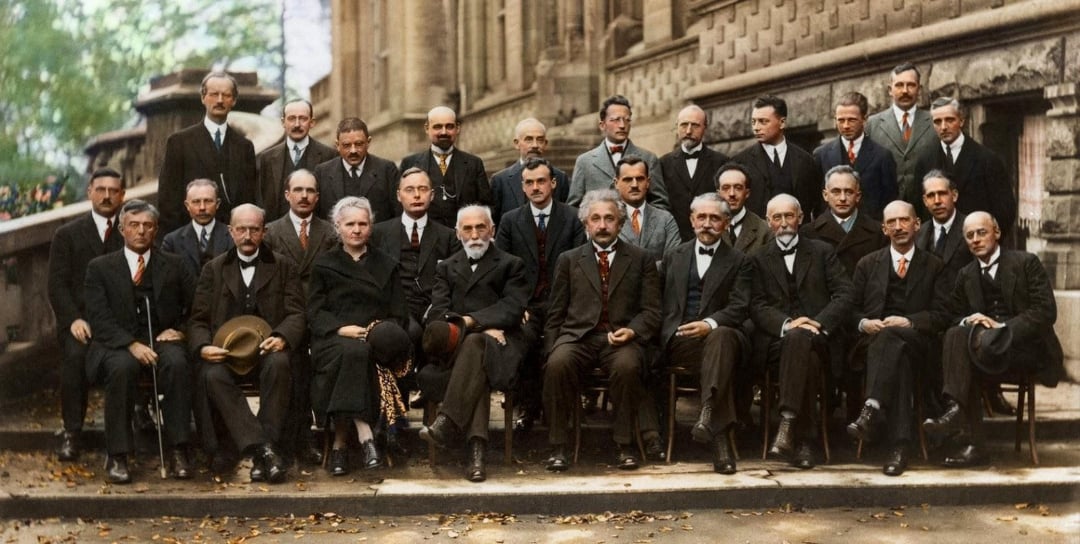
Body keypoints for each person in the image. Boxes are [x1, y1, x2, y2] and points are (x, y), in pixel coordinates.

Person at [923, 212, 1064, 467]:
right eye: (969, 236)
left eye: (982, 232)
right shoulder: (966, 274)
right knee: (957, 334)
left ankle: (958, 418)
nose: (976, 240)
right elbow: (952, 316)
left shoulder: (1026, 262)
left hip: (1024, 351)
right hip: (983, 353)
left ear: (996, 233)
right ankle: (965, 427)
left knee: (974, 349)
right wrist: (971, 321)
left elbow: (1045, 311)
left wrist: (1002, 327)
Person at [542, 189, 662, 472]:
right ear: (586, 223)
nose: (603, 225)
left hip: (621, 339)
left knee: (628, 367)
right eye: (595, 219)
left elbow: (652, 311)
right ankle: (558, 446)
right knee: (557, 364)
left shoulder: (641, 259)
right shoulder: (569, 259)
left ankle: (624, 445)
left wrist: (633, 331)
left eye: (609, 218)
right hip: (578, 337)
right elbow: (556, 312)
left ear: (621, 223)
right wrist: (551, 349)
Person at [189, 204, 306, 483]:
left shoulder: (283, 266)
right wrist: (204, 346)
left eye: (254, 229)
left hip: (267, 350)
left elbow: (297, 313)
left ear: (264, 232)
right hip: (228, 354)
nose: (247, 235)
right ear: (230, 232)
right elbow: (197, 320)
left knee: (280, 364)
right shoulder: (213, 269)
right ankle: (265, 450)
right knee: (211, 374)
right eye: (241, 229)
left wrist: (282, 337)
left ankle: (263, 450)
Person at [83, 199, 196, 483]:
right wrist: (131, 344)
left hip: (162, 337)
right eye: (134, 225)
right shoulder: (100, 268)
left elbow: (197, 309)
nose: (141, 231)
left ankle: (179, 449)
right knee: (122, 368)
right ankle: (118, 455)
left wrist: (181, 331)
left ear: (156, 230)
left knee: (177, 363)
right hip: (116, 343)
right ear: (122, 229)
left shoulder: (175, 264)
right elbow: (99, 318)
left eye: (147, 225)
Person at [418, 205, 530, 483]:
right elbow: (438, 313)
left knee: (476, 349)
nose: (475, 234)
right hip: (457, 351)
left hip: (502, 348)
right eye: (467, 229)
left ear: (492, 230)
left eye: (481, 227)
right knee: (476, 350)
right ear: (457, 233)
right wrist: (480, 325)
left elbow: (512, 308)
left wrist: (470, 322)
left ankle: (448, 424)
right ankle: (475, 454)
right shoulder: (446, 267)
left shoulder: (511, 264)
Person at [749, 194, 853, 469]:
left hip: (820, 338)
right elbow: (756, 304)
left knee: (808, 349)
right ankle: (805, 441)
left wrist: (817, 322)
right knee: (807, 357)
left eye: (789, 216)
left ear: (801, 218)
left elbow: (845, 294)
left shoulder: (822, 251)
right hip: (778, 342)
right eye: (777, 217)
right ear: (768, 222)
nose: (784, 223)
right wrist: (787, 324)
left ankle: (787, 423)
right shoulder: (758, 258)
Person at [846, 201, 949, 476]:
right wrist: (864, 323)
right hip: (872, 346)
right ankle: (900, 447)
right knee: (899, 360)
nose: (898, 227)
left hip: (920, 345)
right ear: (883, 229)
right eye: (891, 222)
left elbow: (943, 314)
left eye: (904, 220)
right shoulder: (867, 264)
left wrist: (910, 321)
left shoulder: (934, 266)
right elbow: (850, 309)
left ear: (917, 225)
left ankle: (871, 407)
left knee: (895, 339)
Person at [308, 197, 410, 475]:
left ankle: (340, 444)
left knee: (359, 352)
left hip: (373, 340)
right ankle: (365, 435)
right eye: (350, 224)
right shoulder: (324, 265)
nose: (356, 230)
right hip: (332, 339)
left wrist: (376, 332)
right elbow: (314, 311)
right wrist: (340, 329)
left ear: (371, 227)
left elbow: (399, 314)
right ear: (337, 226)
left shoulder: (386, 264)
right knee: (354, 352)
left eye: (362, 224)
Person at [658, 193, 752, 474]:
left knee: (720, 338)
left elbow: (740, 306)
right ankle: (719, 437)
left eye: (714, 218)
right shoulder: (673, 256)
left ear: (726, 223)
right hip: (681, 339)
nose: (707, 223)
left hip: (725, 338)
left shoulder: (740, 260)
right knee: (719, 356)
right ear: (692, 220)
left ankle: (709, 413)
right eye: (702, 217)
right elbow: (658, 302)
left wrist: (709, 324)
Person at [494, 158, 587, 431]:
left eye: (541, 181)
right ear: (523, 187)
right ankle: (528, 407)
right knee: (522, 340)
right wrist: (517, 305)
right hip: (527, 304)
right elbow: (501, 269)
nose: (536, 187)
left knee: (559, 348)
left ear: (553, 183)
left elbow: (581, 266)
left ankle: (558, 409)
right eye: (530, 183)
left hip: (564, 303)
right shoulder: (510, 221)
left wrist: (569, 305)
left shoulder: (572, 217)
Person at [47, 167, 125, 461]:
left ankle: (137, 418)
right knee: (75, 355)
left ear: (122, 195)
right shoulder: (67, 234)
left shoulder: (132, 230)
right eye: (100, 190)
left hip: (121, 323)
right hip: (82, 322)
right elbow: (56, 285)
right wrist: (73, 319)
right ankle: (72, 432)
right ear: (89, 192)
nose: (106, 196)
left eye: (113, 191)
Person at [370, 167, 462, 410]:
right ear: (399, 195)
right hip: (394, 307)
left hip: (433, 307)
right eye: (410, 190)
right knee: (406, 333)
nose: (417, 195)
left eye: (423, 189)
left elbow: (454, 279)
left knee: (438, 333)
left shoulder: (447, 236)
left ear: (432, 195)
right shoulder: (379, 233)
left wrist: (437, 306)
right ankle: (397, 408)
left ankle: (430, 395)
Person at [264, 169, 337, 468]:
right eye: (298, 190)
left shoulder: (330, 233)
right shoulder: (271, 232)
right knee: (290, 364)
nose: (304, 196)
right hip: (284, 316)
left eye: (310, 191)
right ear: (287, 195)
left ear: (317, 197)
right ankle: (286, 439)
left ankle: (309, 438)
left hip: (321, 313)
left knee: (319, 365)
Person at [158, 71, 257, 234]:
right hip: (189, 238)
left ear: (233, 101)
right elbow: (168, 200)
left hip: (232, 239)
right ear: (203, 98)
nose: (220, 100)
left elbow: (249, 199)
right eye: (214, 94)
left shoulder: (244, 147)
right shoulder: (179, 142)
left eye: (226, 95)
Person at [913, 97, 1016, 233]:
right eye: (937, 122)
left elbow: (1005, 211)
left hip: (975, 241)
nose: (943, 127)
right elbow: (918, 207)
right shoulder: (924, 160)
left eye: (949, 120)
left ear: (961, 121)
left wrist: (986, 241)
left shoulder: (987, 160)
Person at [568, 95, 668, 209]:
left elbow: (660, 203)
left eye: (627, 120)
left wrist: (642, 219)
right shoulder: (585, 161)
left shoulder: (648, 159)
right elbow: (573, 207)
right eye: (616, 120)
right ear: (602, 125)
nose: (622, 125)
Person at [399, 106, 492, 227]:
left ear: (457, 128)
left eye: (449, 127)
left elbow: (486, 206)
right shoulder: (409, 163)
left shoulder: (473, 164)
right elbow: (401, 207)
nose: (444, 132)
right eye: (437, 127)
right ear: (427, 128)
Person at [731, 96, 819, 220]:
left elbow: (813, 203)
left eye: (763, 121)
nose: (756, 127)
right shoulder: (740, 162)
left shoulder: (805, 161)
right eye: (753, 122)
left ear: (782, 122)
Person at [813, 92, 898, 219]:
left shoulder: (882, 156)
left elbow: (890, 201)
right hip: (832, 229)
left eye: (852, 120)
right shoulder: (821, 155)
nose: (846, 126)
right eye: (841, 120)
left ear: (864, 119)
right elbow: (816, 202)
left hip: (870, 228)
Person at [865, 63, 939, 207]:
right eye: (899, 85)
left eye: (911, 85)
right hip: (884, 208)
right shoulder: (872, 125)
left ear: (919, 89)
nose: (905, 91)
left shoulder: (935, 122)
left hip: (926, 208)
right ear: (890, 90)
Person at [257, 99, 337, 220]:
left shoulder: (329, 155)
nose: (297, 124)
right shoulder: (267, 158)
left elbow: (330, 202)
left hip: (315, 229)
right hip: (277, 230)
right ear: (283, 122)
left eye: (303, 119)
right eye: (291, 119)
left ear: (312, 122)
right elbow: (262, 201)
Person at [660, 105, 730, 240]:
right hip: (675, 240)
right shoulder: (663, 163)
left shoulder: (721, 162)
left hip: (712, 237)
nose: (688, 131)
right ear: (676, 127)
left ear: (705, 128)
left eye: (695, 125)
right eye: (684, 125)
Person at [314, 117, 400, 224]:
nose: (353, 151)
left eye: (359, 144)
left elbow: (397, 216)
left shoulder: (387, 170)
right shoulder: (322, 173)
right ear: (337, 145)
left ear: (368, 142)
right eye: (346, 145)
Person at [489, 118, 571, 223]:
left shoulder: (560, 178)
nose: (535, 145)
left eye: (540, 140)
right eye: (529, 139)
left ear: (545, 144)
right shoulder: (500, 180)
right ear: (516, 143)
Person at [161, 179, 235, 281]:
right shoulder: (172, 241)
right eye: (196, 202)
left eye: (208, 201)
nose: (202, 207)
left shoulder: (232, 236)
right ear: (187, 205)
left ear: (217, 204)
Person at [615, 156, 681, 263]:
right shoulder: (608, 220)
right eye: (628, 180)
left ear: (648, 182)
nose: (634, 185)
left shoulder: (666, 219)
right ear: (616, 183)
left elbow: (673, 260)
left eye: (640, 179)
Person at [716, 163, 773, 253]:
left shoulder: (765, 230)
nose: (732, 194)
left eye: (738, 188)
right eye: (726, 188)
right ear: (718, 193)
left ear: (747, 193)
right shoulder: (709, 227)